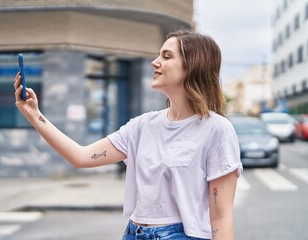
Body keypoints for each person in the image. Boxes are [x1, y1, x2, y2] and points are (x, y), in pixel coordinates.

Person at [14, 28, 242, 240]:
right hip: (134, 232)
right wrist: (34, 115)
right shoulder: (143, 125)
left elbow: (221, 217)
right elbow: (81, 157)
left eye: (166, 56)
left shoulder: (217, 130)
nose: (156, 62)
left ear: (192, 65)